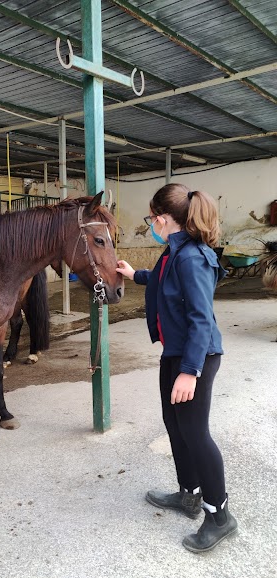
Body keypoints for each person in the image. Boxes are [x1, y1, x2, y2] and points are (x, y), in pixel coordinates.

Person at [116, 183, 237, 553]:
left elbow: (202, 318)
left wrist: (190, 371)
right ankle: (189, 494)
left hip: (195, 357)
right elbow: (166, 284)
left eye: (152, 217)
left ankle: (219, 516)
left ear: (163, 218)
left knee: (196, 433)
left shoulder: (192, 257)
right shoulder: (174, 252)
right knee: (175, 424)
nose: (151, 223)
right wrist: (135, 274)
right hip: (176, 352)